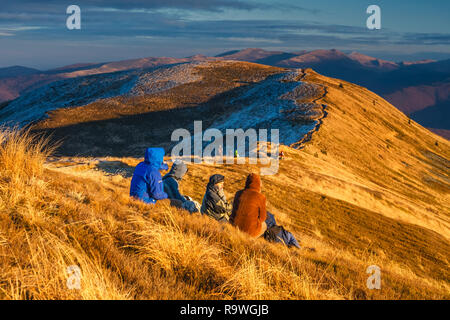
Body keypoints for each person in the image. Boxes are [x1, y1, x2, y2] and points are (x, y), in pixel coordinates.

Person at [230, 173, 267, 238]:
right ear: (258, 184)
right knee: (264, 225)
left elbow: (233, 210)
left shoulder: (238, 193)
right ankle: (252, 241)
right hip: (250, 232)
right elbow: (263, 218)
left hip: (234, 227)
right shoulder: (261, 197)